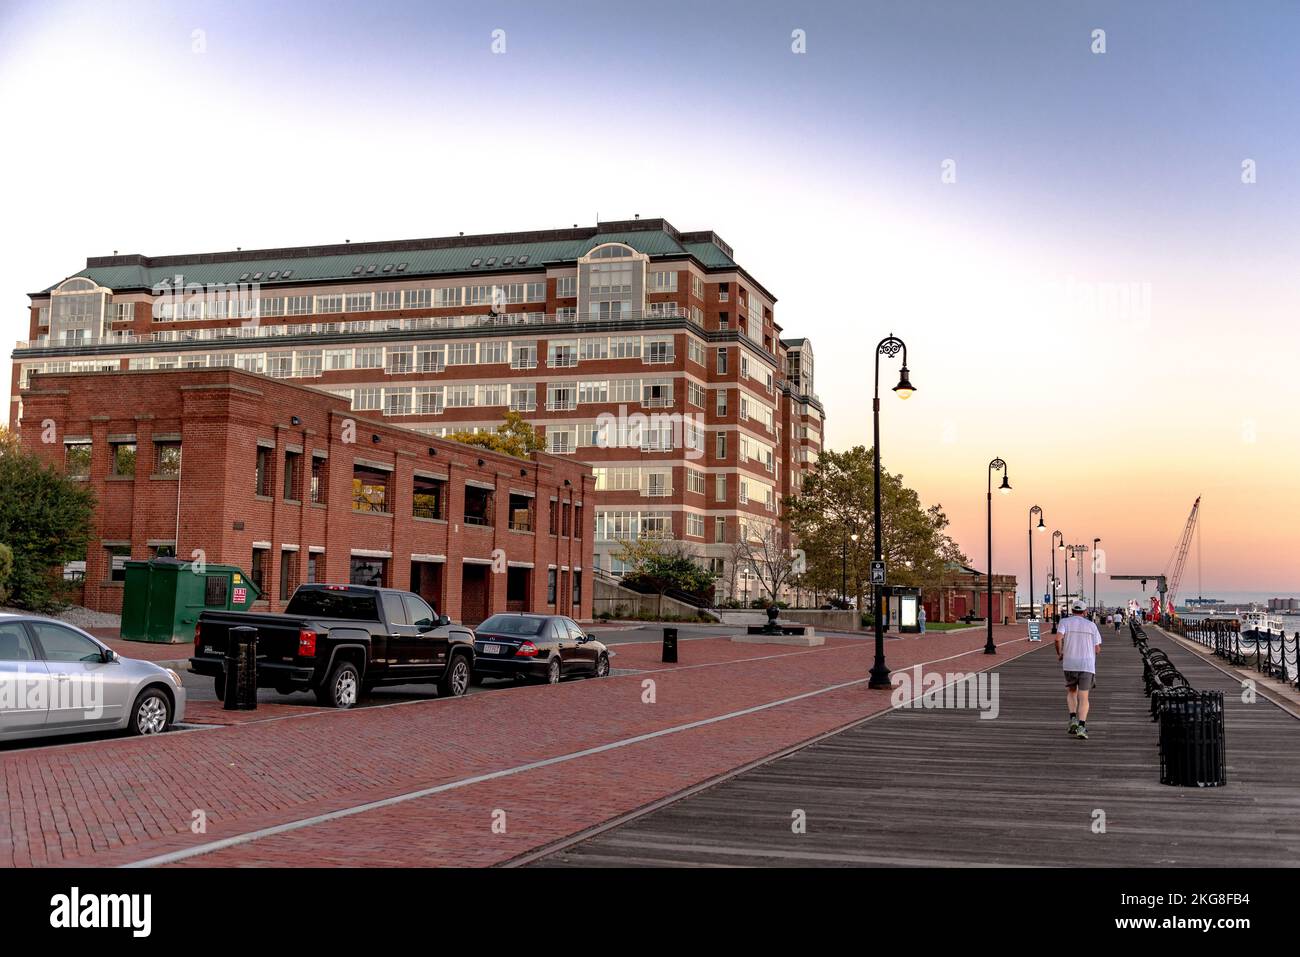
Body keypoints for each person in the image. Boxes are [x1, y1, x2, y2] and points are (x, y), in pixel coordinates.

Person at [1056, 598, 1102, 739]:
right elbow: (1097, 649)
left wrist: (1060, 653)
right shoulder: (1091, 626)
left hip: (1070, 663)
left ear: (1072, 610)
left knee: (1071, 691)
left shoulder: (1064, 622)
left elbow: (1057, 638)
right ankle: (1082, 726)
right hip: (1087, 665)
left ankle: (1073, 718)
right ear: (1085, 612)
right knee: (1084, 697)